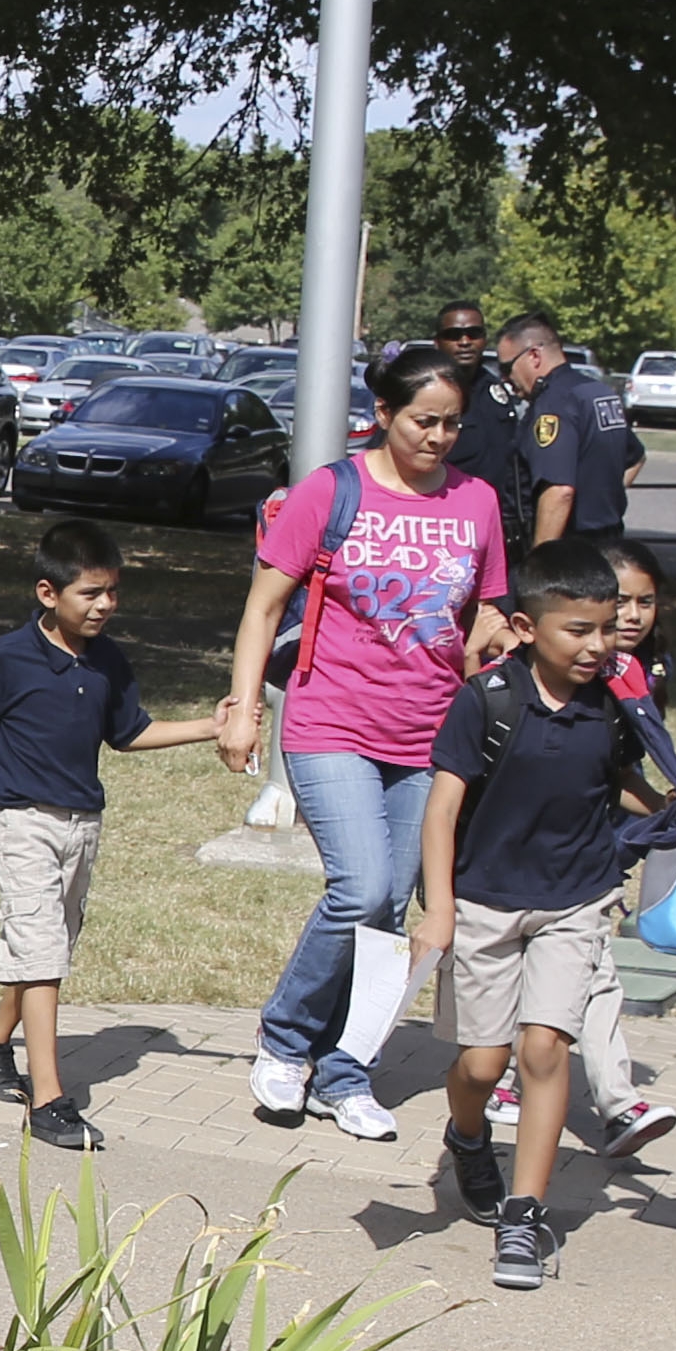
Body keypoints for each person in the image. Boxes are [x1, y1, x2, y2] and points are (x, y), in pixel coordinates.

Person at [224, 341, 510, 1145]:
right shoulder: (331, 491)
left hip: (428, 733)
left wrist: (492, 638)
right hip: (330, 722)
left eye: (452, 425)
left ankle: (344, 1070)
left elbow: (485, 609)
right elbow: (260, 609)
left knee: (390, 907)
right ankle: (284, 1042)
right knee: (360, 889)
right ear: (382, 414)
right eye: (423, 421)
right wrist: (244, 708)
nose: (438, 438)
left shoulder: (476, 502)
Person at [0, 519, 227, 1152]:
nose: (104, 606)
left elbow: (129, 734)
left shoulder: (108, 662)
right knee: (41, 949)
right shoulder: (8, 658)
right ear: (49, 593)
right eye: (90, 594)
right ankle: (48, 1100)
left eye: (112, 593)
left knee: (50, 946)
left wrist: (209, 726)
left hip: (82, 826)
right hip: (23, 823)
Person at [407, 539, 676, 1289]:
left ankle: (524, 1216)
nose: (599, 644)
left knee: (542, 1052)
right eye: (579, 630)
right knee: (480, 1064)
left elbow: (618, 782)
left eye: (607, 628)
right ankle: (466, 1136)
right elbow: (441, 812)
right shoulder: (489, 700)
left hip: (575, 899)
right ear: (528, 628)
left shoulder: (614, 703)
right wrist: (438, 911)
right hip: (482, 904)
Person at [543, 535, 676, 1160]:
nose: (630, 616)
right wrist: (659, 806)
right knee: (569, 973)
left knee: (595, 969)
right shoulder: (564, 667)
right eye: (619, 601)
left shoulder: (644, 672)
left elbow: (624, 767)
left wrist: (670, 808)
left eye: (644, 602)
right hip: (536, 845)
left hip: (595, 847)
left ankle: (617, 1102)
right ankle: (524, 1086)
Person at [496, 314, 634, 562]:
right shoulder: (597, 392)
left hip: (568, 553)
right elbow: (636, 458)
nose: (505, 379)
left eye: (507, 368)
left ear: (534, 356)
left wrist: (540, 565)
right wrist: (600, 498)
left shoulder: (554, 404)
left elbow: (559, 491)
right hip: (608, 544)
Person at [434, 301, 526, 508]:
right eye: (454, 335)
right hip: (447, 511)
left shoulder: (497, 390)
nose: (465, 341)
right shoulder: (427, 394)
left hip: (499, 515)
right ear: (437, 342)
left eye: (473, 333)